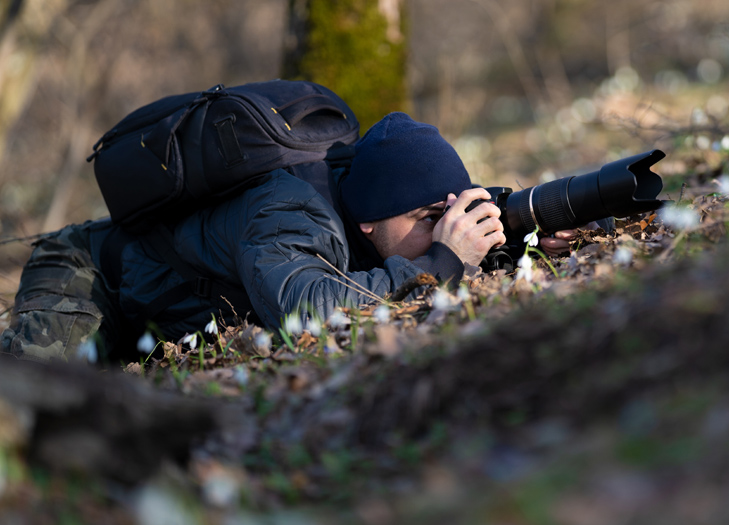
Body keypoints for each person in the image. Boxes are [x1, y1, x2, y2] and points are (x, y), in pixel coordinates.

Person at [1, 112, 577, 363]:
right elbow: (310, 308)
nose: (442, 229)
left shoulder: (375, 206)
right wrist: (446, 262)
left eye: (448, 214)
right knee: (33, 394)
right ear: (369, 220)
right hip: (92, 274)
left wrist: (539, 232)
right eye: (429, 217)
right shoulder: (288, 214)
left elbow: (470, 220)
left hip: (166, 316)